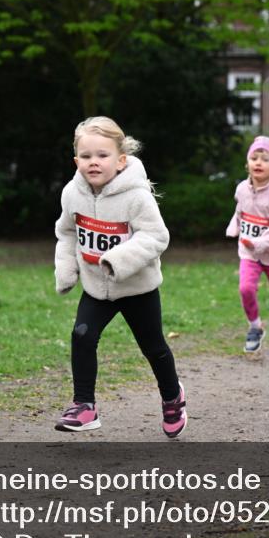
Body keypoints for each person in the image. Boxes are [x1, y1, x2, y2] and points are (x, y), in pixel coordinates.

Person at [53, 117, 185, 436]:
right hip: (97, 289)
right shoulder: (72, 193)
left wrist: (117, 259)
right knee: (82, 335)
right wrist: (66, 269)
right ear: (76, 161)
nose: (93, 162)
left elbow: (156, 237)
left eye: (102, 155)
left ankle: (172, 397)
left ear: (120, 160)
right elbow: (66, 233)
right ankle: (84, 405)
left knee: (153, 348)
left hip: (137, 288)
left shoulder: (137, 196)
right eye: (86, 156)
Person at [225, 136, 269, 358]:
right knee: (245, 289)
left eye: (265, 159)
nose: (258, 162)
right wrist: (234, 227)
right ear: (247, 163)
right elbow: (241, 212)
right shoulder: (241, 189)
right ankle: (256, 326)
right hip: (249, 253)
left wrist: (257, 243)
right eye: (254, 157)